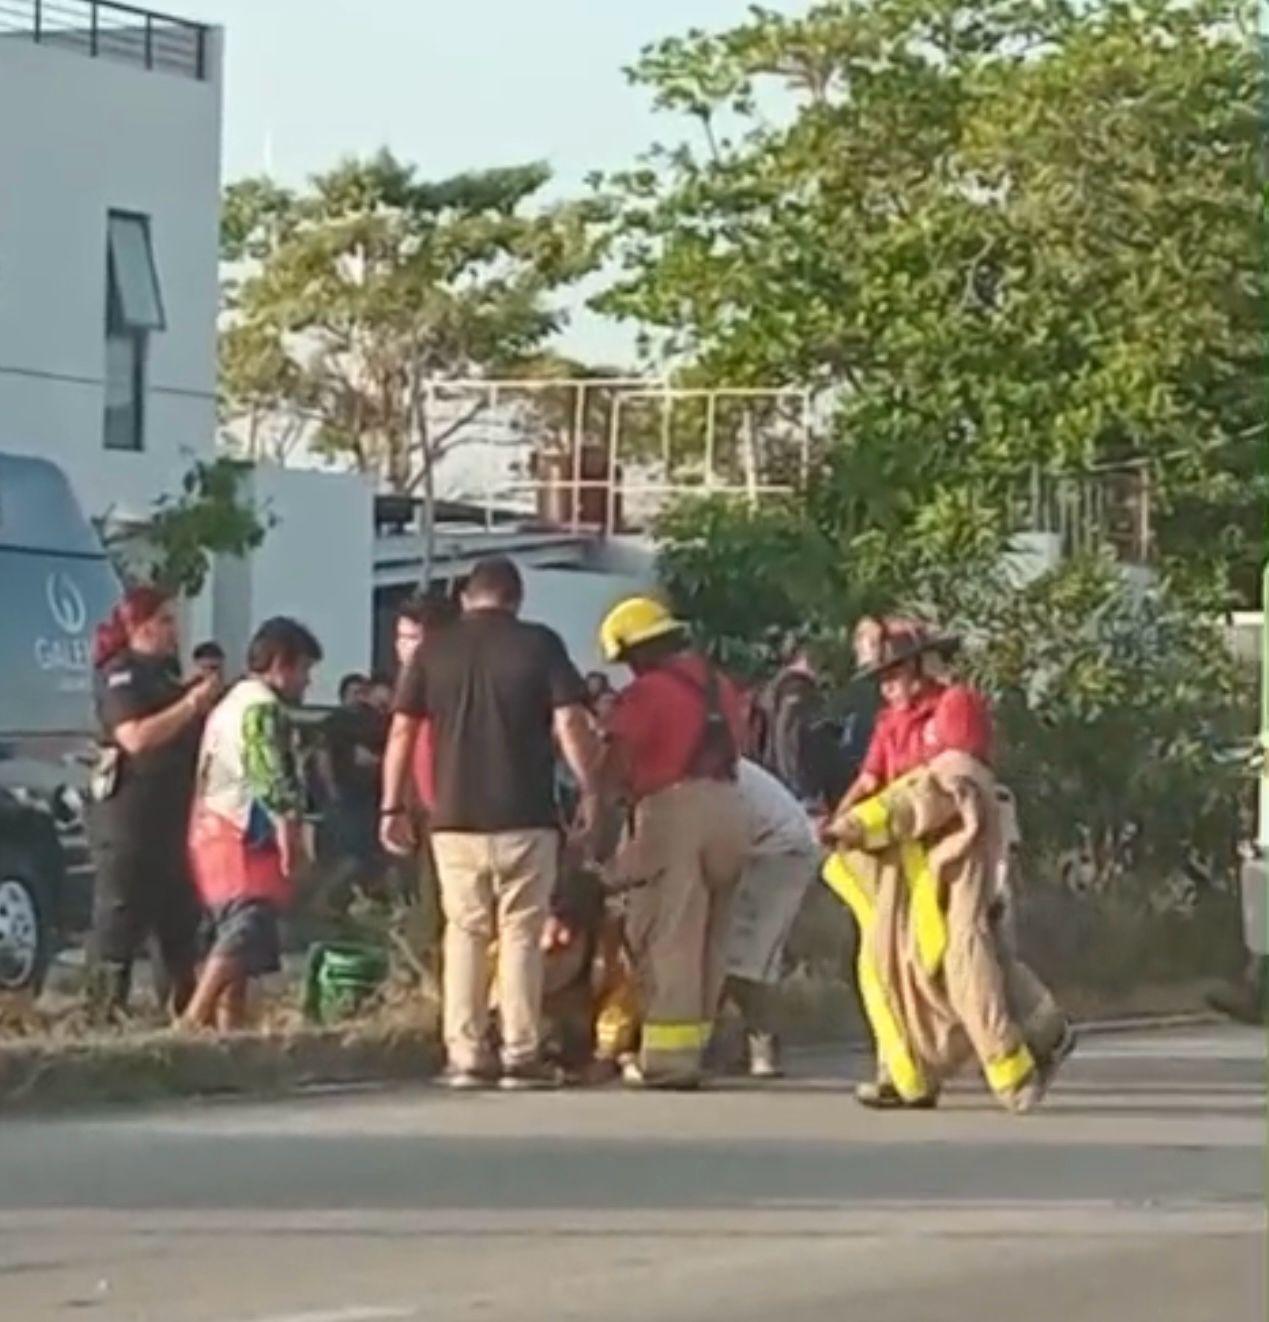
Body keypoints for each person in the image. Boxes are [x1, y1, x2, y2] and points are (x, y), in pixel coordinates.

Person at [380, 556, 601, 1091]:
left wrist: (392, 806)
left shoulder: (434, 650)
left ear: (466, 599)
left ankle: (466, 1052)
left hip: (452, 819)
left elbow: (403, 732)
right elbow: (570, 720)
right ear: (516, 599)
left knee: (465, 932)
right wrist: (592, 786)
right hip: (525, 815)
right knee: (522, 933)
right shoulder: (539, 644)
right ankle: (520, 1051)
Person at [599, 596, 749, 1089]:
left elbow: (617, 764)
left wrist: (598, 821)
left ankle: (667, 1060)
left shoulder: (645, 696)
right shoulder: (720, 686)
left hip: (672, 811)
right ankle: (695, 1046)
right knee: (712, 938)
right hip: (731, 807)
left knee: (670, 936)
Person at [87, 587, 222, 1018]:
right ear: (140, 626)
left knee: (180, 926)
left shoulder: (166, 675)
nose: (173, 631)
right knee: (120, 923)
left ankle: (181, 1015)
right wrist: (190, 705)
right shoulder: (121, 674)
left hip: (175, 822)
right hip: (131, 821)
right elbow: (136, 738)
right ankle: (103, 1014)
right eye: (164, 621)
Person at [183, 618, 323, 1030]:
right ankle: (195, 1016)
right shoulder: (261, 707)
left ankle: (231, 1024)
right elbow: (271, 775)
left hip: (211, 826)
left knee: (235, 928)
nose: (307, 682)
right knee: (248, 924)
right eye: (304, 670)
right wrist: (290, 835)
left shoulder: (232, 702)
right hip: (240, 829)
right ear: (281, 664)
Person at [719, 758, 821, 1079]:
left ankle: (764, 1044)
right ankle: (744, 1041)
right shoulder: (708, 763)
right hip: (765, 846)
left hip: (781, 850)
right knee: (729, 950)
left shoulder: (709, 772)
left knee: (751, 954)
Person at [317, 673, 387, 909]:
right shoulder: (335, 721)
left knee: (371, 855)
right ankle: (324, 903)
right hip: (345, 794)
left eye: (363, 692)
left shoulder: (376, 721)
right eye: (354, 693)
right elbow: (323, 756)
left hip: (372, 797)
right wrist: (331, 788)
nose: (359, 698)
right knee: (350, 854)